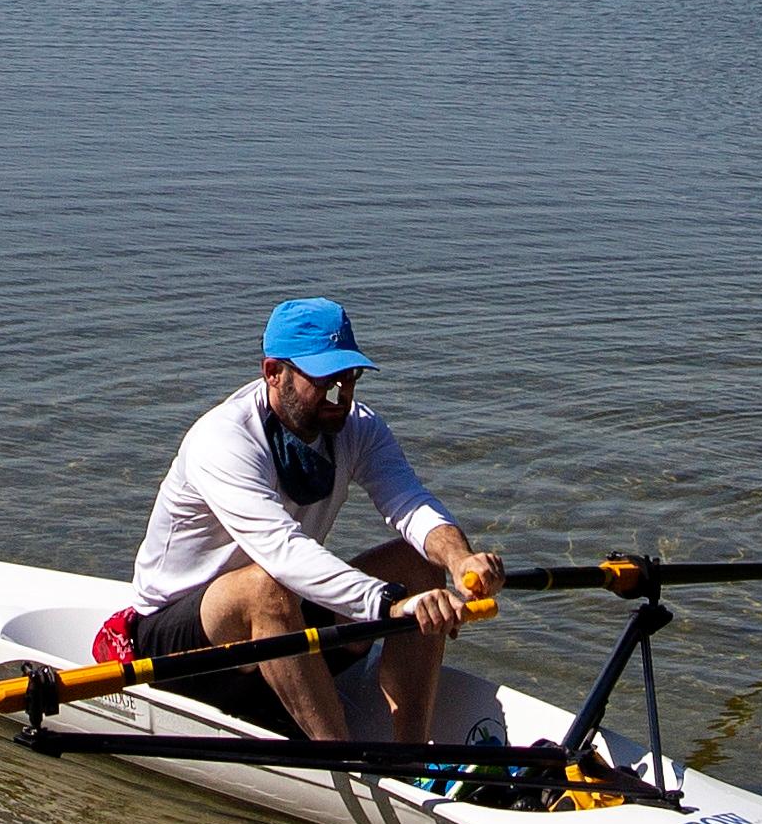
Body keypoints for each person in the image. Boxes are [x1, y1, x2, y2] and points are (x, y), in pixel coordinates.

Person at [117, 295, 502, 743]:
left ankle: (410, 756)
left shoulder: (358, 428)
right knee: (266, 585)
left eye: (349, 377)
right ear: (273, 373)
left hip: (280, 620)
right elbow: (282, 550)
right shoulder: (222, 440)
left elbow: (410, 504)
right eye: (324, 379)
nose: (341, 394)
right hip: (176, 645)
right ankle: (342, 761)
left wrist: (460, 560)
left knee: (419, 563)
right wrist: (387, 605)